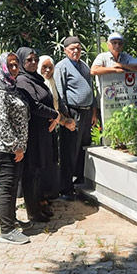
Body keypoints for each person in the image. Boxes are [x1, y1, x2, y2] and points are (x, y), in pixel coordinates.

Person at [15, 47, 72, 223]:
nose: (33, 63)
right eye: (29, 60)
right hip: (32, 134)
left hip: (43, 132)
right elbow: (34, 105)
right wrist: (56, 115)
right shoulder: (23, 80)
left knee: (39, 170)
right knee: (31, 171)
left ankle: (39, 204)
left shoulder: (37, 79)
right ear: (21, 62)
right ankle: (33, 211)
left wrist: (55, 117)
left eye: (35, 59)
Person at [0, 52, 31, 245]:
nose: (14, 69)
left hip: (13, 148)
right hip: (3, 148)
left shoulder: (10, 88)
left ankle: (11, 221)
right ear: (2, 67)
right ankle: (7, 230)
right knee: (6, 186)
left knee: (12, 185)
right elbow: (2, 123)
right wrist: (16, 146)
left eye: (16, 65)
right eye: (10, 65)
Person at [54, 36, 98, 201]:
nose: (76, 51)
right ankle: (65, 187)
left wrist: (94, 112)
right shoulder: (62, 67)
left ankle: (79, 180)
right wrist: (66, 118)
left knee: (83, 147)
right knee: (68, 150)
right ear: (65, 50)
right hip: (72, 113)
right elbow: (60, 93)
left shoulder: (84, 65)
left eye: (78, 48)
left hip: (86, 112)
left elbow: (91, 89)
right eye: (72, 48)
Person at [37, 55, 66, 200]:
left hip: (53, 124)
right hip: (42, 126)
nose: (48, 70)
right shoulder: (38, 83)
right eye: (44, 67)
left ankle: (51, 191)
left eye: (50, 67)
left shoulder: (52, 82)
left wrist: (58, 119)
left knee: (52, 158)